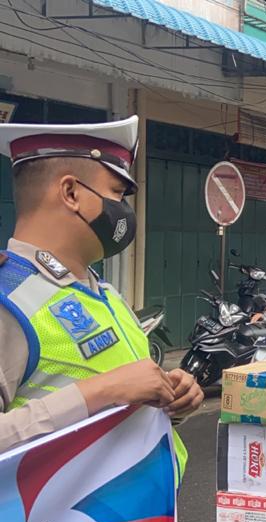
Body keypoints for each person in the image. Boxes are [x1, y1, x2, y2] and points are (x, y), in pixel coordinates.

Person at [0, 117, 202, 474]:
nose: (125, 210)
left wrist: (172, 401)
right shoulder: (9, 299)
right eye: (117, 194)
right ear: (71, 193)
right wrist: (102, 391)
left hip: (142, 521)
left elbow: (126, 401)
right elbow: (108, 391)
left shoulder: (102, 292)